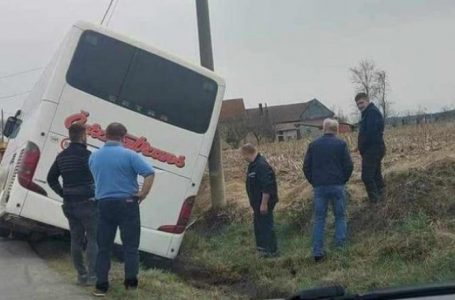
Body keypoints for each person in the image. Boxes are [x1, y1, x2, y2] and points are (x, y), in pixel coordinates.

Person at [89, 123, 155, 297]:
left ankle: (101, 286)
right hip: (127, 204)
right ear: (123, 137)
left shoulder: (94, 157)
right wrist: (143, 193)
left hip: (104, 204)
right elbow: (149, 173)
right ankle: (130, 284)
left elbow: (96, 178)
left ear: (105, 135)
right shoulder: (130, 155)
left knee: (103, 246)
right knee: (131, 246)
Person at [47, 123, 98, 286]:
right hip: (88, 203)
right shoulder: (89, 156)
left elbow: (51, 178)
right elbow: (99, 177)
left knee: (75, 240)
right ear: (83, 136)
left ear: (70, 136)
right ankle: (92, 277)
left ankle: (81, 276)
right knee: (93, 239)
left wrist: (63, 192)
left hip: (69, 204)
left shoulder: (61, 156)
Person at [303, 119, 353, 262]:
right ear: (336, 130)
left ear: (324, 129)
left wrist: (314, 182)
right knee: (340, 217)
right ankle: (340, 249)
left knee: (319, 219)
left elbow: (306, 167)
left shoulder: (313, 145)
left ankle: (318, 251)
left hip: (320, 187)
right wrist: (343, 180)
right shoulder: (341, 144)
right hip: (337, 185)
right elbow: (349, 166)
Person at [241, 143, 278, 257]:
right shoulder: (253, 165)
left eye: (243, 155)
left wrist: (264, 204)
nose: (243, 157)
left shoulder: (261, 165)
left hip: (264, 203)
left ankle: (271, 252)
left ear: (248, 153)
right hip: (257, 204)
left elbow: (267, 186)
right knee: (259, 226)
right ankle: (262, 249)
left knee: (266, 226)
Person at [355, 92, 386, 202]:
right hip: (373, 149)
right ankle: (383, 197)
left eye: (361, 103)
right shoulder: (367, 113)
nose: (360, 106)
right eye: (358, 104)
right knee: (376, 174)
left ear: (367, 101)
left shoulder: (372, 113)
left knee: (367, 177)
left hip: (373, 149)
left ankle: (375, 202)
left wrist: (363, 146)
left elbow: (371, 133)